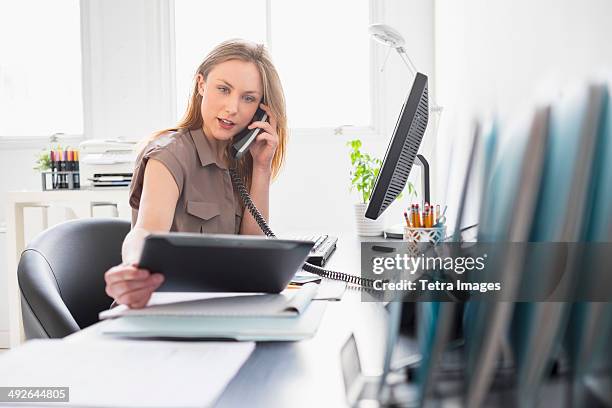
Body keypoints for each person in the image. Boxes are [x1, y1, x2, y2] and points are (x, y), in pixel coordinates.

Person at [104, 39, 288, 309]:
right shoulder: (169, 155)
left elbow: (252, 249)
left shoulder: (241, 161)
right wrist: (133, 267)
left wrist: (261, 167)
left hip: (218, 306)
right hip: (163, 309)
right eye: (223, 89)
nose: (233, 108)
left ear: (261, 109)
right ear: (201, 85)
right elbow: (145, 231)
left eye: (248, 98)